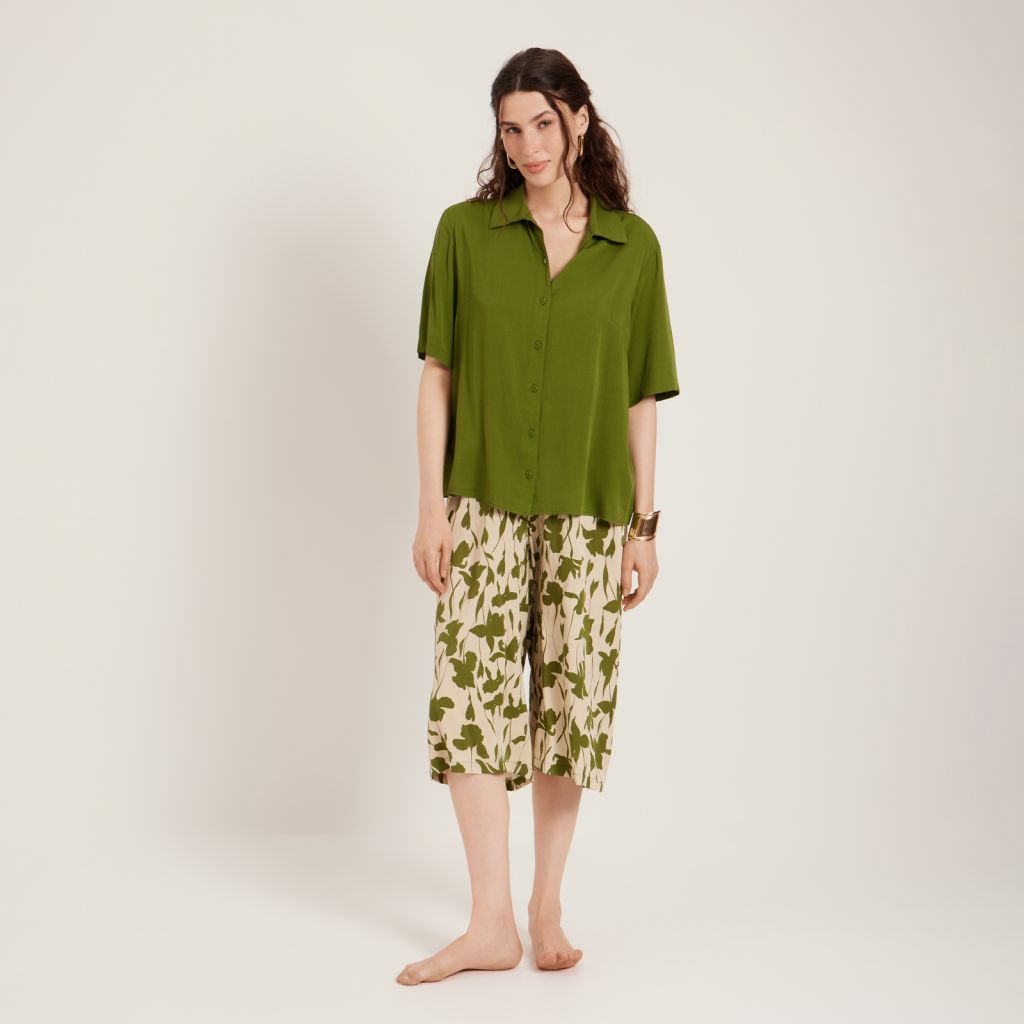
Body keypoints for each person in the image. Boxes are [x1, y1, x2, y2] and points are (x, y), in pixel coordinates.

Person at [400, 47, 680, 985]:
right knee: (471, 706)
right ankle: (489, 924)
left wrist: (644, 528)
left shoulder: (632, 249)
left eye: (543, 125)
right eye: (510, 128)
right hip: (479, 507)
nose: (527, 145)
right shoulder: (464, 233)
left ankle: (545, 906)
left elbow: (640, 398)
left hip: (591, 516)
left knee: (568, 710)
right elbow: (438, 375)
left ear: (579, 121)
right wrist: (431, 507)